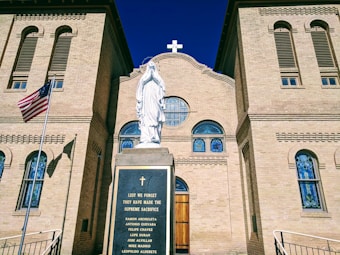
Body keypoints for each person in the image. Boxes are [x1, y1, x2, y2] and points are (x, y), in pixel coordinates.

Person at [136, 61, 166, 147]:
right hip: (146, 103)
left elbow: (162, 88)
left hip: (155, 101)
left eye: (153, 68)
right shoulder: (143, 79)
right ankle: (146, 138)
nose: (151, 70)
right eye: (150, 67)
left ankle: (154, 137)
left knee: (155, 117)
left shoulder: (158, 79)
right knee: (146, 119)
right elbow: (140, 87)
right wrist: (148, 77)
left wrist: (155, 78)